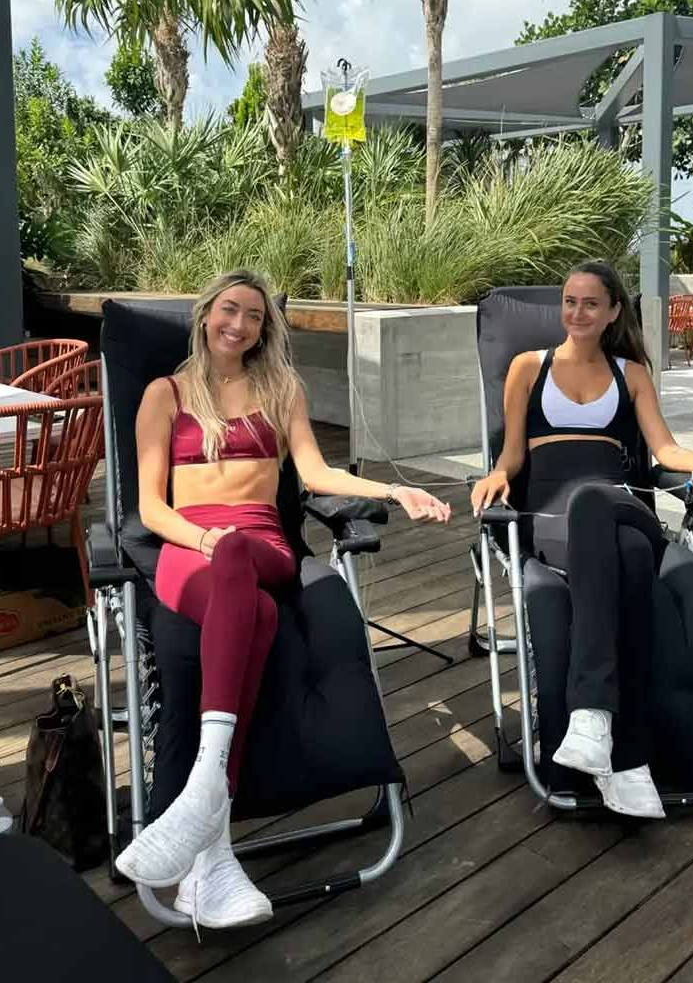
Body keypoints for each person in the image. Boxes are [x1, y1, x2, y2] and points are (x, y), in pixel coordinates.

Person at [115, 270, 451, 929]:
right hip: (191, 550)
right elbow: (151, 506)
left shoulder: (280, 389)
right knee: (261, 613)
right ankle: (213, 857)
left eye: (254, 318)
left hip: (262, 545)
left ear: (264, 330)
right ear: (206, 312)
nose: (238, 326)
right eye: (229, 310)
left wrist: (391, 490)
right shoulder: (165, 393)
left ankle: (203, 793)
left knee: (246, 558)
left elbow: (318, 473)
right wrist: (206, 539)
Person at [470, 260, 693, 820]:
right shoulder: (526, 368)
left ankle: (590, 717)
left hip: (619, 502)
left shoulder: (631, 373)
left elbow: (667, 452)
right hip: (553, 517)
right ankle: (630, 760)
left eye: (591, 303)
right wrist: (495, 474)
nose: (577, 312)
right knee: (632, 556)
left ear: (614, 311)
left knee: (600, 502)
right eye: (569, 301)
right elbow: (512, 454)